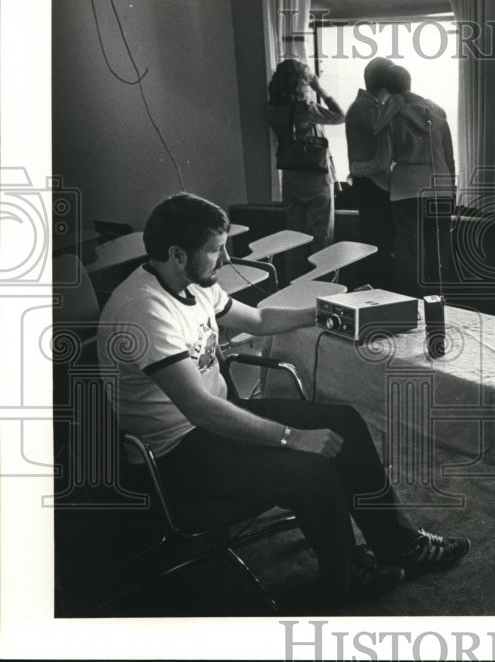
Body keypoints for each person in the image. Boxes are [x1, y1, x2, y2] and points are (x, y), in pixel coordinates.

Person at [97, 193, 471, 606]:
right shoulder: (145, 309)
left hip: (217, 422)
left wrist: (325, 311)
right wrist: (291, 437)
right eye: (215, 251)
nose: (224, 261)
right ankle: (343, 580)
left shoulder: (191, 283)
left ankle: (400, 544)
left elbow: (257, 319)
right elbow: (199, 409)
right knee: (312, 470)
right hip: (176, 451)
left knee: (343, 420)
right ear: (177, 254)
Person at [384, 64, 456, 299]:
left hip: (406, 189)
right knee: (439, 250)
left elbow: (385, 157)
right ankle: (441, 306)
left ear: (388, 89)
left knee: (409, 253)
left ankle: (410, 306)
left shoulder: (391, 116)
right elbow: (449, 156)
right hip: (440, 186)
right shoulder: (437, 112)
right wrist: (451, 191)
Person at [266, 59, 345, 252]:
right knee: (322, 237)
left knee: (294, 238)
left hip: (291, 177)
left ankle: (294, 280)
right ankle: (321, 280)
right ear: (302, 82)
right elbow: (340, 116)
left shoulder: (271, 108)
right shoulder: (306, 108)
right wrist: (320, 89)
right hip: (316, 177)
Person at [345, 58, 403, 289]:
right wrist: (399, 99)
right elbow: (376, 124)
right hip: (371, 184)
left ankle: (375, 289)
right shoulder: (365, 108)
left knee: (377, 241)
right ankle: (375, 290)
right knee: (377, 242)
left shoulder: (365, 106)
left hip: (370, 182)